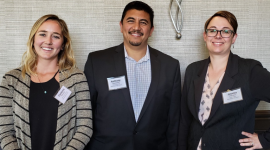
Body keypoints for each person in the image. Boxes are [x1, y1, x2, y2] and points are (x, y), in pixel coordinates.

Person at [84, 1, 181, 150]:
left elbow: (173, 120)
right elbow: (86, 114)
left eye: (143, 22)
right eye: (131, 21)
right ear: (121, 26)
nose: (136, 27)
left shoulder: (170, 66)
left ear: (151, 30)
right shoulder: (96, 62)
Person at [179, 10, 270, 150]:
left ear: (234, 38)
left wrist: (265, 140)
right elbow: (185, 119)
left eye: (226, 31)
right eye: (212, 30)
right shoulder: (193, 70)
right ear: (205, 36)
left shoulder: (251, 70)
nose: (218, 36)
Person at [0, 14, 92, 150]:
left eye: (55, 36)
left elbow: (85, 127)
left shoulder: (76, 78)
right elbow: (5, 131)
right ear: (33, 40)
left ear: (62, 44)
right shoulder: (11, 80)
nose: (48, 41)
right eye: (42, 34)